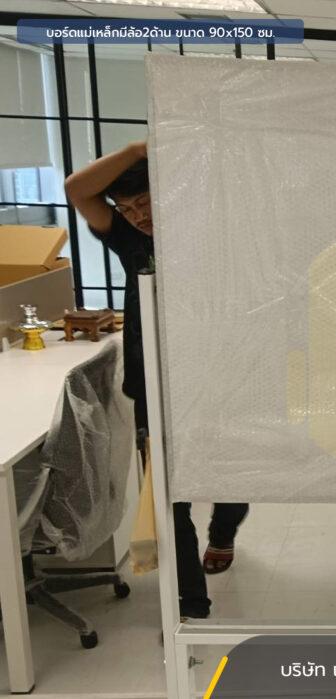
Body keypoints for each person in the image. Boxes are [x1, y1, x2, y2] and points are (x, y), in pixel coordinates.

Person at [65, 141, 248, 618]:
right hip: (154, 381)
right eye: (126, 208)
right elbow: (76, 189)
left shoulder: (208, 229)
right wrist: (135, 150)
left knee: (231, 472)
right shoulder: (129, 239)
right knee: (167, 495)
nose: (138, 215)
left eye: (144, 203)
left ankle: (224, 531)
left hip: (218, 377)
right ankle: (190, 605)